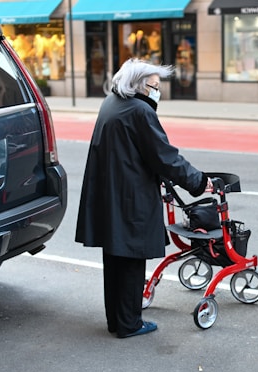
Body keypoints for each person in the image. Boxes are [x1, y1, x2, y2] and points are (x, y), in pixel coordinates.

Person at [75, 59, 213, 338]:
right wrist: (199, 182)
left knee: (114, 260)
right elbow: (165, 156)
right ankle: (129, 323)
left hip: (111, 192)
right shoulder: (140, 111)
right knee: (131, 260)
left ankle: (117, 320)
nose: (157, 91)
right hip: (130, 196)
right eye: (155, 85)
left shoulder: (112, 103)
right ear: (140, 85)